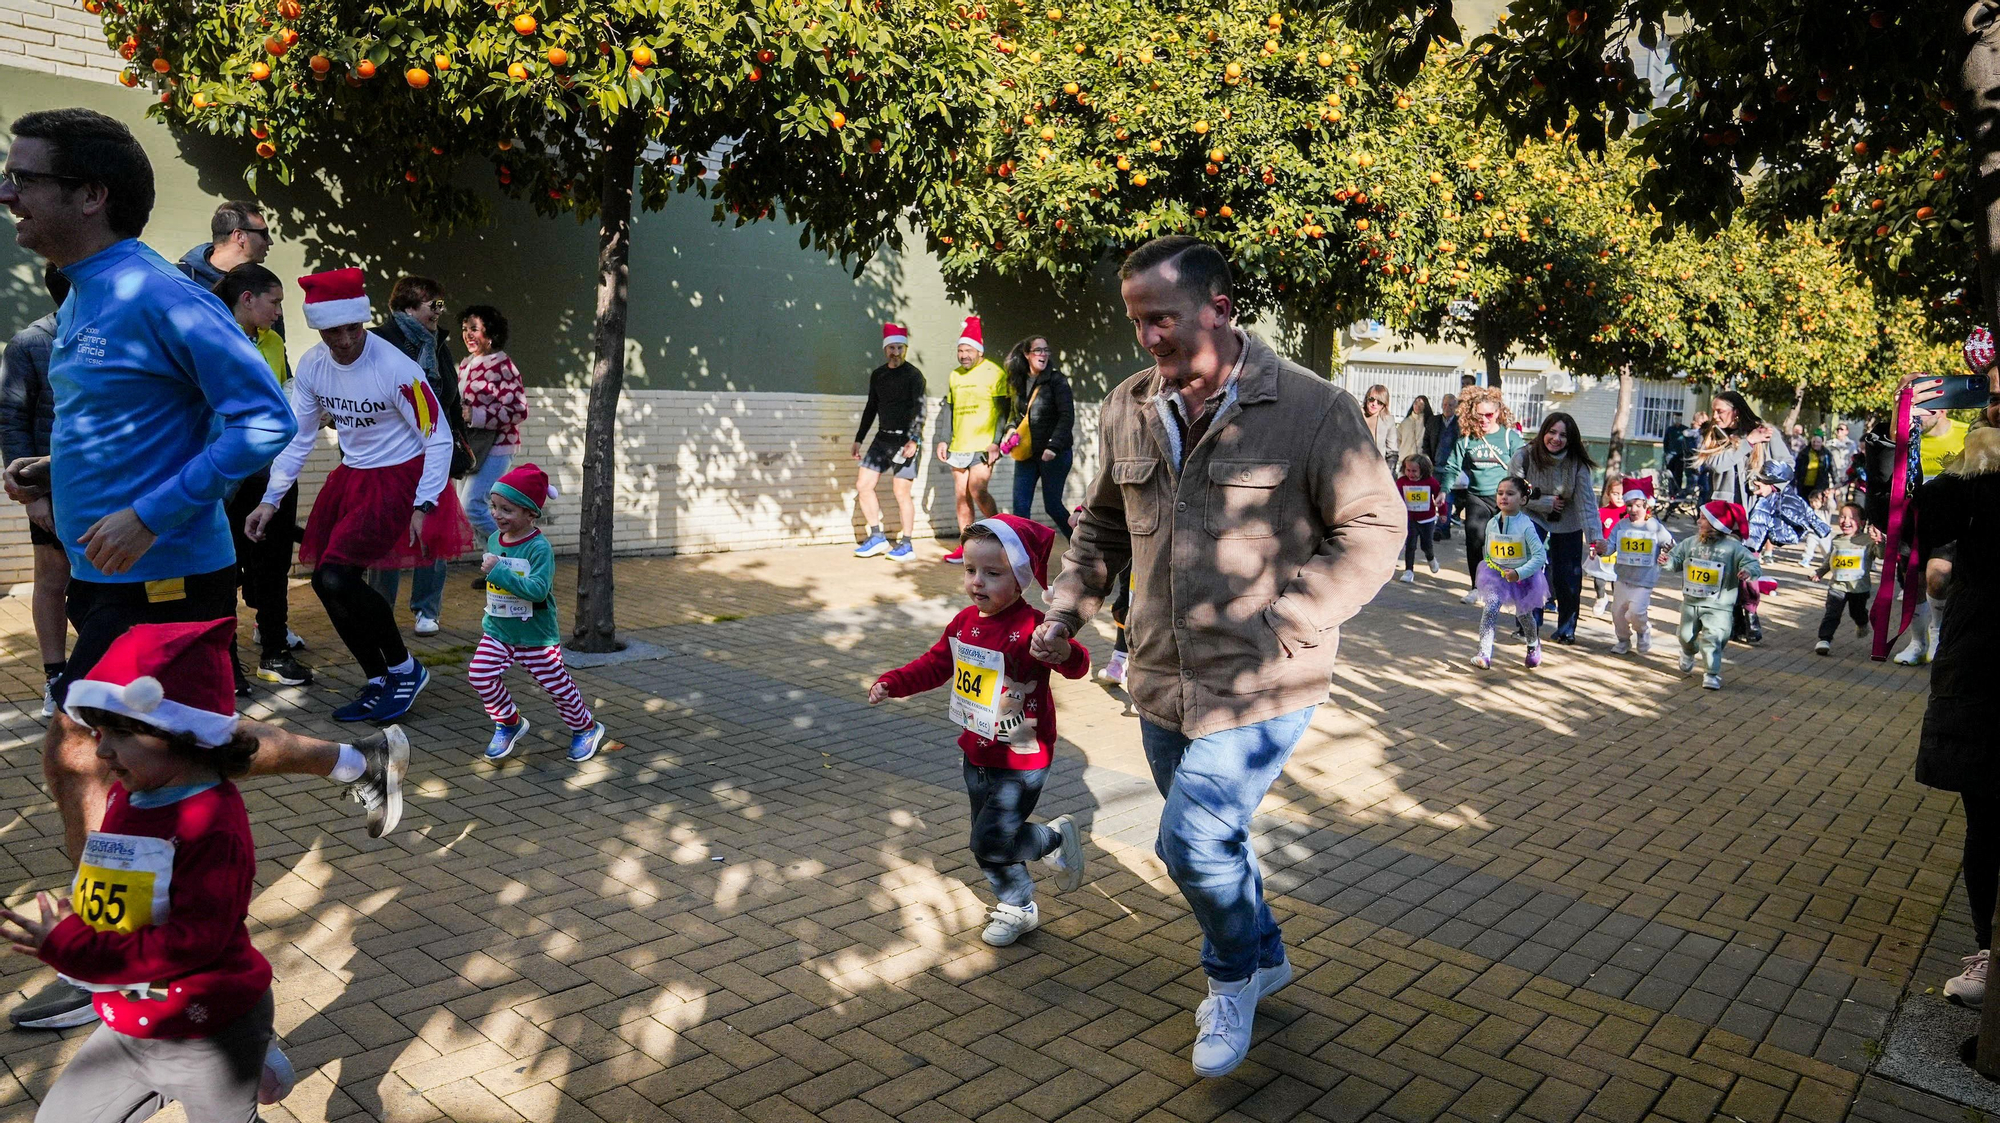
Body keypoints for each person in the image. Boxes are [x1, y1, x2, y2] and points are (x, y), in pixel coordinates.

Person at [0, 109, 407, 1032]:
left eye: (23, 176)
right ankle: (360, 758)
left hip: (169, 584)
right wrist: (58, 472)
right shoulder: (83, 290)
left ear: (91, 193)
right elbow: (134, 423)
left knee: (96, 757)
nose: (6, 192)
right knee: (160, 750)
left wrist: (152, 514)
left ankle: (116, 967)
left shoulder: (157, 293)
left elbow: (264, 422)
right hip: (117, 584)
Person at [1028, 236, 1403, 1079]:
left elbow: (1375, 527)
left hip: (1267, 678)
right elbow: (1103, 527)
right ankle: (1264, 950)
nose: (1148, 338)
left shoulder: (1312, 408)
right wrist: (1065, 610)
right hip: (1159, 676)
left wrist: (1300, 611)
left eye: (1162, 318)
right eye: (1136, 322)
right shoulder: (1126, 405)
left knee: (1191, 840)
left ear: (1220, 308)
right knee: (1217, 840)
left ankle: (1230, 979)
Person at [2, 619, 291, 1120]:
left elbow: (192, 942)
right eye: (97, 731)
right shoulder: (128, 791)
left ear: (184, 734)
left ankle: (251, 1056)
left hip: (208, 1031)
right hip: (125, 1021)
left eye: (121, 732)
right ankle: (254, 1058)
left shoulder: (212, 826)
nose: (102, 750)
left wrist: (75, 949)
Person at [248, 267, 475, 723]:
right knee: (327, 581)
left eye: (353, 328)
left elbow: (438, 436)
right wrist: (270, 500)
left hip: (401, 478)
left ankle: (406, 669)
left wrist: (424, 502)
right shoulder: (313, 366)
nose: (347, 339)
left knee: (335, 578)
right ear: (319, 327)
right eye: (335, 331)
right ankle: (380, 678)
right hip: (354, 477)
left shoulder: (395, 366)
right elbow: (298, 438)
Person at [872, 515, 1091, 945]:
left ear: (1022, 577)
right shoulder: (964, 622)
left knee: (988, 840)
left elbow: (1077, 663)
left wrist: (1061, 648)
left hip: (1021, 754)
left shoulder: (1034, 625)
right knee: (989, 839)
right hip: (976, 752)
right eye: (971, 570)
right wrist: (894, 681)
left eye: (993, 573)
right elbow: (936, 664)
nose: (977, 582)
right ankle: (1022, 897)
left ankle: (1041, 858)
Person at [1914, 423, 2000, 1007]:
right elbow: (1928, 519)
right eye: (1992, 394)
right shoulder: (1983, 473)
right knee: (1987, 816)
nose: (1995, 408)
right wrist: (1967, 463)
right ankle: (1986, 951)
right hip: (1980, 665)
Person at [214, 264, 312, 691]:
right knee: (223, 570)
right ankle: (224, 662)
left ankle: (274, 651)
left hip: (272, 475)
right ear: (248, 298)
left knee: (273, 568)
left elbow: (284, 391)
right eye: (274, 302)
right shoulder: (212, 337)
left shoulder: (273, 342)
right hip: (224, 476)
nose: (278, 312)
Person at [469, 463, 607, 764]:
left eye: (507, 510)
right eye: (494, 507)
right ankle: (509, 721)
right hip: (499, 630)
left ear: (530, 514)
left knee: (556, 685)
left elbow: (537, 590)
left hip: (535, 635)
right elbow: (499, 581)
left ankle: (586, 728)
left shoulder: (539, 548)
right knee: (480, 674)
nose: (497, 515)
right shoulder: (495, 539)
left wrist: (498, 574)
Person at [367, 276, 472, 636]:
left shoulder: (437, 343)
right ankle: (379, 610)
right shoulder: (379, 340)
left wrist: (457, 435)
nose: (440, 313)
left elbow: (450, 397)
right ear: (409, 306)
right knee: (387, 534)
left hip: (433, 450)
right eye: (434, 305)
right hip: (390, 454)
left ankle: (427, 610)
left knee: (434, 529)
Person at [1, 263, 69, 716]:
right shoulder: (30, 342)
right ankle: (55, 678)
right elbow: (12, 422)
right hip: (52, 489)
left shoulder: (112, 336)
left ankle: (106, 670)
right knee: (51, 580)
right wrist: (32, 496)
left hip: (105, 489)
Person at [1895, 356, 1978, 666]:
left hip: (1948, 522)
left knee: (1938, 577)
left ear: (1942, 407)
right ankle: (1916, 643)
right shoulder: (1904, 434)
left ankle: (1938, 633)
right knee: (1912, 582)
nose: (1917, 413)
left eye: (1925, 406)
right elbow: (1886, 470)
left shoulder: (1967, 432)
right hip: (1910, 520)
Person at [1510, 411, 1601, 644]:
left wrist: (1596, 538)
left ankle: (1566, 629)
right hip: (1531, 515)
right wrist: (1544, 503)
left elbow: (1587, 505)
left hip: (1567, 518)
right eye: (1552, 432)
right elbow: (1510, 495)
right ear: (1543, 432)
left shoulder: (1577, 465)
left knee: (1567, 576)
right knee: (1530, 569)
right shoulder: (1524, 456)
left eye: (1563, 435)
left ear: (1570, 440)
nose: (1556, 439)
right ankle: (1528, 624)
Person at [456, 304, 529, 579]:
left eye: (474, 328)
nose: (467, 334)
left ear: (491, 333)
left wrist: (474, 414)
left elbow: (519, 410)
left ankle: (515, 557)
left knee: (472, 506)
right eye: (465, 329)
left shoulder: (503, 366)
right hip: (471, 447)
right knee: (469, 511)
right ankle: (496, 570)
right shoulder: (465, 365)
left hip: (498, 446)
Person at [1437, 387, 1525, 604]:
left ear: (1498, 413)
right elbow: (1452, 467)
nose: (1484, 420)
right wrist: (1443, 491)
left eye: (1489, 414)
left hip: (1505, 500)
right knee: (1475, 541)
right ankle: (1477, 587)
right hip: (1476, 496)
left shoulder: (1508, 437)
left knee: (1504, 544)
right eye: (1479, 415)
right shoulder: (1467, 440)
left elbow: (1526, 467)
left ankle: (1504, 586)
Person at [933, 316, 1009, 564]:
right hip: (959, 445)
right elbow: (949, 410)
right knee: (961, 495)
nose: (963, 355)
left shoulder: (995, 373)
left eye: (968, 350)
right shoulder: (954, 376)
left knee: (978, 490)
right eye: (960, 350)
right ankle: (967, 547)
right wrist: (944, 439)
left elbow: (1003, 411)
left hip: (984, 444)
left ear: (979, 350)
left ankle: (1002, 537)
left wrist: (996, 441)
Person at [1669, 501, 1761, 690]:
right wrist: (1667, 561)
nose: (1698, 521)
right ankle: (1688, 651)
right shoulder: (1691, 542)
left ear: (1716, 523)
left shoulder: (1732, 547)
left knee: (1714, 638)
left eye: (1703, 518)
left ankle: (1711, 673)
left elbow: (1751, 562)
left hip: (1719, 606)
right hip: (1691, 602)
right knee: (1685, 635)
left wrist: (1747, 571)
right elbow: (1676, 558)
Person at [852, 322, 925, 561]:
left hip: (905, 441)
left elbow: (920, 409)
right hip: (882, 438)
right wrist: (859, 439)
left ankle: (907, 544)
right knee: (863, 485)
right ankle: (876, 536)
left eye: (899, 347)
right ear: (885, 349)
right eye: (891, 347)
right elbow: (871, 407)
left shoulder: (914, 376)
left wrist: (914, 439)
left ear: (905, 349)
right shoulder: (878, 375)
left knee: (901, 491)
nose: (895, 352)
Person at [1469, 476, 1549, 670]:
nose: (1504, 497)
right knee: (1490, 610)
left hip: (1524, 578)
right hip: (1496, 576)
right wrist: (1493, 565)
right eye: (1500, 493)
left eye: (1510, 494)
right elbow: (1488, 551)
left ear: (1523, 500)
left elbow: (1539, 556)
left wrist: (1518, 573)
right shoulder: (1492, 523)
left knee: (1524, 615)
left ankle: (1533, 644)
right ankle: (1484, 654)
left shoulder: (1526, 525)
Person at [1003, 334, 1077, 538]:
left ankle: (1082, 549)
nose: (1043, 354)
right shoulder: (1019, 382)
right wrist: (1010, 429)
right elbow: (1014, 415)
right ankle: (1023, 554)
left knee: (1052, 506)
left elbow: (1067, 416)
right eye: (1038, 350)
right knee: (1020, 507)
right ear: (1027, 354)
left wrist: (1053, 446)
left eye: (1046, 350)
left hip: (1054, 454)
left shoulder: (1056, 381)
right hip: (1027, 454)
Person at [1598, 485, 1672, 655]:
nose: (1633, 509)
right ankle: (1623, 640)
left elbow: (1670, 544)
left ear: (1646, 506)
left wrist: (1667, 553)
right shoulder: (1621, 525)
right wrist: (1603, 548)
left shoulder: (1654, 526)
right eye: (1629, 505)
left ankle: (1643, 631)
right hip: (1623, 578)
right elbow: (1610, 547)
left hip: (1644, 579)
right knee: (1617, 613)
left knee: (1637, 612)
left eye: (1638, 505)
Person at [1811, 502, 1878, 657]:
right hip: (1837, 586)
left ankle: (1862, 623)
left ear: (1862, 522)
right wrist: (1820, 572)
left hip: (1859, 588)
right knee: (1832, 613)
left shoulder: (1867, 540)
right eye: (1842, 516)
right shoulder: (1837, 540)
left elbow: (1880, 555)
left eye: (1851, 517)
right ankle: (1824, 639)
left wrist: (1879, 542)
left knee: (1857, 612)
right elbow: (1829, 560)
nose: (1845, 521)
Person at [1692, 391, 1772, 508]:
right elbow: (1717, 465)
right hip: (1724, 511)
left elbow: (1788, 464)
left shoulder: (1763, 431)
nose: (1714, 416)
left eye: (1720, 412)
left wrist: (1770, 487)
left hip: (1757, 509)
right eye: (1713, 411)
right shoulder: (1712, 436)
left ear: (1736, 412)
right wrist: (1748, 442)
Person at [1395, 453, 1443, 582]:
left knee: (1426, 545)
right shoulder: (1401, 482)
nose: (1411, 474)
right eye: (1408, 470)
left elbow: (1440, 497)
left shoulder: (1431, 482)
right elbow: (1396, 498)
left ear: (1423, 470)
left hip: (1427, 520)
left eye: (1414, 471)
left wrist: (1443, 513)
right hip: (1410, 519)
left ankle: (1431, 558)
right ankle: (1408, 571)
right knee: (1410, 544)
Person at [1360, 383, 1398, 469]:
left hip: (1377, 469)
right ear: (1366, 399)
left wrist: (1389, 472)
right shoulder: (1357, 415)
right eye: (1371, 399)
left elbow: (1392, 452)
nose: (1374, 404)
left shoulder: (1388, 420)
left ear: (1384, 404)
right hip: (1356, 466)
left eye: (1379, 402)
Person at [1398, 394, 1439, 467]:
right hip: (1405, 460)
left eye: (1421, 404)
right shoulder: (1405, 423)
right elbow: (1398, 440)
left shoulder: (1428, 423)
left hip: (1422, 460)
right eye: (1416, 403)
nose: (1418, 406)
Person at [1661, 412, 1690, 498]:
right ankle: (1671, 492)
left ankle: (1678, 493)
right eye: (1675, 418)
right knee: (1670, 475)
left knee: (1678, 475)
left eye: (1679, 418)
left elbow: (1688, 443)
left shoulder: (1685, 429)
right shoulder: (1670, 429)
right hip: (1670, 455)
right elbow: (1665, 442)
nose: (1677, 420)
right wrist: (1666, 452)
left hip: (1680, 456)